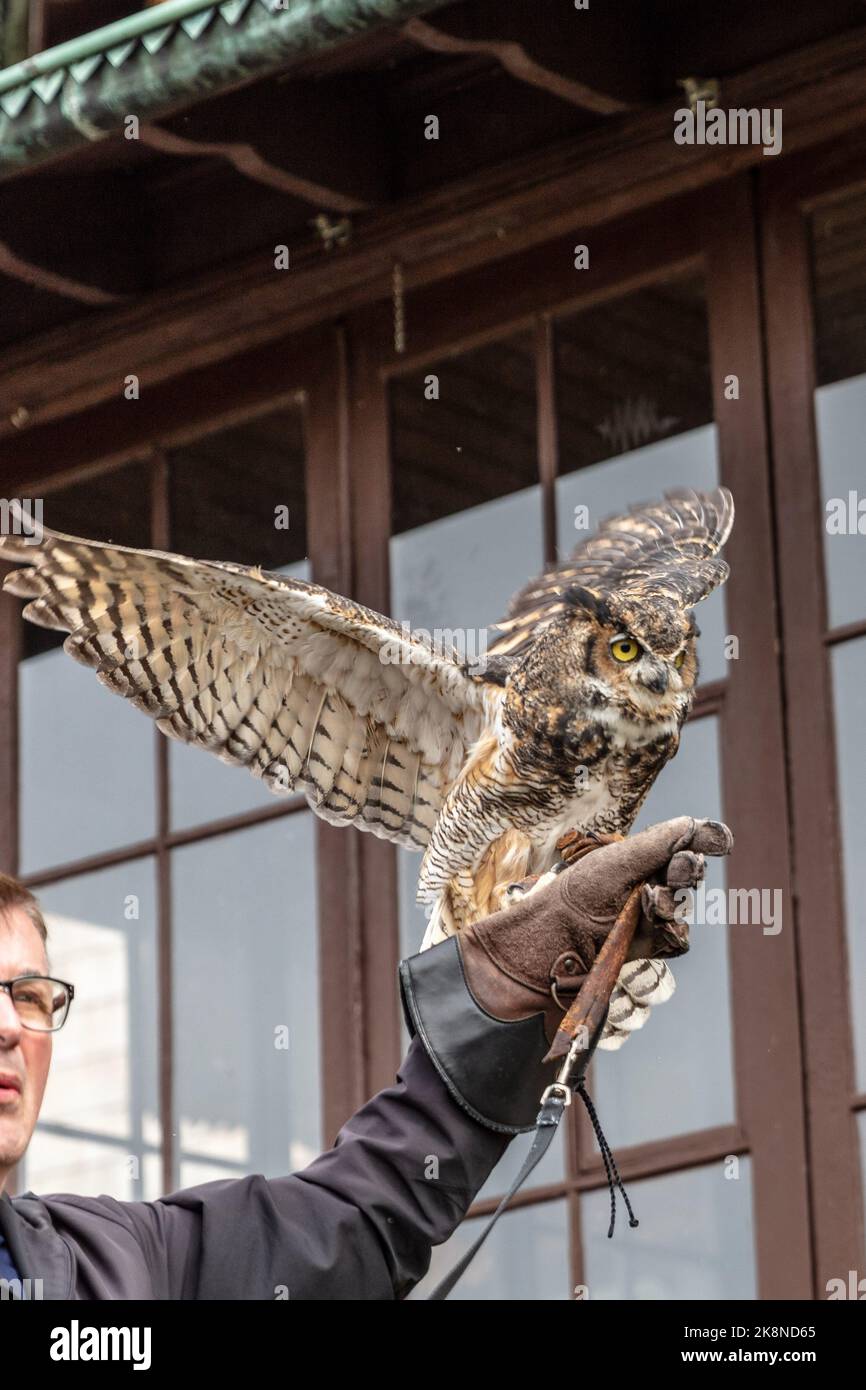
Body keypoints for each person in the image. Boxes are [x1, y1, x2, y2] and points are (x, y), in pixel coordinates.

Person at [0, 816, 731, 1300]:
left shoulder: (119, 1268)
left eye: (29, 994)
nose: (9, 1025)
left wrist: (521, 983)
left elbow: (348, 1222)